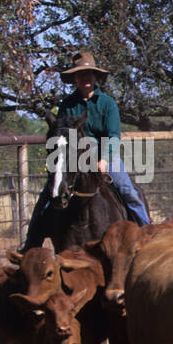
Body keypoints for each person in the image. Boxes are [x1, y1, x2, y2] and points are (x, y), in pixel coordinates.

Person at [21, 50, 150, 251]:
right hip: (74, 157)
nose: (85, 78)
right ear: (75, 79)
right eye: (81, 75)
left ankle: (148, 236)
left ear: (96, 77)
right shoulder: (67, 105)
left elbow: (113, 136)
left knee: (127, 190)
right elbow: (60, 135)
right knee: (48, 194)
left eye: (89, 74)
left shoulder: (107, 104)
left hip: (104, 156)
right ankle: (31, 246)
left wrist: (104, 160)